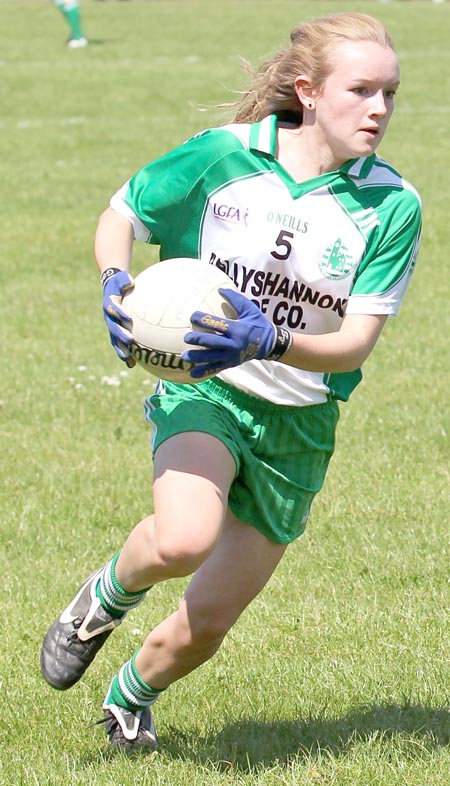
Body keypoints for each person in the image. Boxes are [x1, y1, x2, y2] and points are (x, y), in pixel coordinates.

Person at [40, 11, 422, 753]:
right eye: (362, 90)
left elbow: (352, 346)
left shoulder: (391, 206)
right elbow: (120, 214)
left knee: (207, 626)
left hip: (299, 425)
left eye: (391, 94)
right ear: (308, 92)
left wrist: (273, 338)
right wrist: (115, 280)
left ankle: (129, 699)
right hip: (206, 390)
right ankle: (104, 597)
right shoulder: (223, 157)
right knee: (185, 536)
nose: (379, 109)